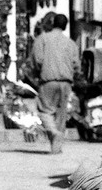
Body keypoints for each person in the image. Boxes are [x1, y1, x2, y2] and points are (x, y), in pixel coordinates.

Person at [26, 13, 80, 154]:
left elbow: (37, 60)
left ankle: (53, 132)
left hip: (48, 81)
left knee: (45, 111)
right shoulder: (71, 43)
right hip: (66, 82)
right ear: (65, 26)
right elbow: (76, 65)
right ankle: (56, 147)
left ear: (53, 23)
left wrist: (38, 73)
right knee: (61, 115)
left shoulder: (43, 39)